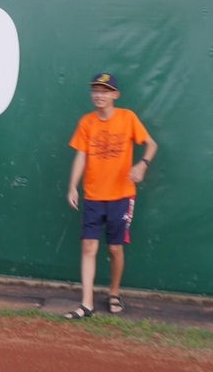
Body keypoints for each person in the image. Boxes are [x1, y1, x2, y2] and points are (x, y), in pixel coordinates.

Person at [64, 73, 158, 319]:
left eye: (105, 91)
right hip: (94, 196)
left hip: (122, 196)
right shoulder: (87, 122)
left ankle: (114, 293)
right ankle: (87, 303)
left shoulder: (128, 118)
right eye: (95, 90)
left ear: (115, 95)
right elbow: (81, 155)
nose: (99, 95)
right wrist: (73, 186)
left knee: (115, 250)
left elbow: (151, 144)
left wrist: (143, 164)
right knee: (88, 246)